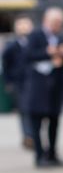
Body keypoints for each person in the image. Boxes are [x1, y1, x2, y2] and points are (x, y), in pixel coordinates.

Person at [23, 7, 63, 166]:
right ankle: (39, 156)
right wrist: (48, 52)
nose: (57, 25)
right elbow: (28, 56)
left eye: (59, 22)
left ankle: (52, 155)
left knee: (54, 123)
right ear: (46, 21)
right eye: (54, 22)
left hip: (55, 89)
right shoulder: (36, 35)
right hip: (37, 89)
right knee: (36, 125)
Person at [1, 14, 35, 150]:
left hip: (33, 83)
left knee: (33, 110)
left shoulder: (34, 43)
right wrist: (9, 81)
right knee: (24, 110)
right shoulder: (12, 46)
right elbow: (6, 64)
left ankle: (33, 135)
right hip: (19, 83)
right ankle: (28, 136)